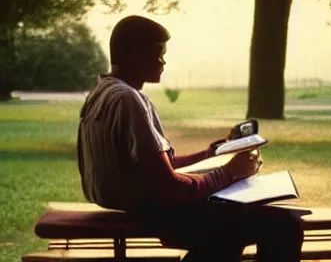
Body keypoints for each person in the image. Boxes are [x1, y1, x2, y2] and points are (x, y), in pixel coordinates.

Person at [77, 15, 304, 262]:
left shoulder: (101, 94)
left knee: (228, 237)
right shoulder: (129, 100)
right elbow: (170, 189)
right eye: (158, 53)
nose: (163, 61)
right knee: (284, 226)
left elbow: (152, 167)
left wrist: (207, 155)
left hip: (134, 203)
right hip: (156, 212)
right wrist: (230, 173)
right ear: (133, 53)